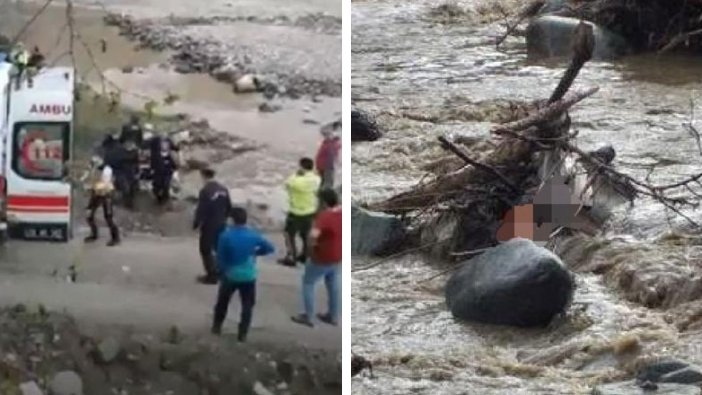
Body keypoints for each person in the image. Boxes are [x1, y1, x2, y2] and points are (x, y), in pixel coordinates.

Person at [211, 207, 275, 341]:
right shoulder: (253, 234)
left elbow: (220, 258)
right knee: (247, 305)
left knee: (223, 302)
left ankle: (217, 327)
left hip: (231, 274)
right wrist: (256, 253)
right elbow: (270, 248)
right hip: (249, 274)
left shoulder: (225, 235)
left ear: (232, 220)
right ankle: (242, 334)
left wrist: (221, 272)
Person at [291, 188, 341, 327]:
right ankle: (333, 316)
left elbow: (313, 236)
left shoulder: (325, 217)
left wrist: (310, 252)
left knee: (308, 282)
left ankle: (308, 316)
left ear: (324, 202)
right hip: (338, 256)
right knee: (333, 284)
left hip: (322, 256)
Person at [279, 158, 321, 267]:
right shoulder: (316, 179)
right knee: (305, 235)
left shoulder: (297, 181)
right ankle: (305, 256)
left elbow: (287, 183)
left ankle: (292, 257)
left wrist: (296, 174)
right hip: (310, 211)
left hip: (296, 212)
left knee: (289, 234)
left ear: (302, 167)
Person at [193, 168, 232, 284]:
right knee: (218, 248)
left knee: (205, 249)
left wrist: (196, 223)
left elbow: (201, 209)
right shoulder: (224, 189)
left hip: (209, 224)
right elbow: (229, 207)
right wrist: (225, 218)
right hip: (221, 223)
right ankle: (221, 271)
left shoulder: (205, 190)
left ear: (204, 177)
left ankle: (211, 275)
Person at [84, 156, 120, 246]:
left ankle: (115, 238)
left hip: (106, 194)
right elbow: (87, 178)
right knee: (89, 214)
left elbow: (105, 183)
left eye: (93, 164)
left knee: (108, 217)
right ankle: (94, 234)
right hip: (96, 193)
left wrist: (92, 186)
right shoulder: (93, 169)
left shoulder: (107, 170)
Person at [149, 126, 179, 205]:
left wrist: (175, 172)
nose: (164, 146)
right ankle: (158, 196)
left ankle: (165, 198)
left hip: (167, 173)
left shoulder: (170, 155)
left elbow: (174, 165)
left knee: (166, 185)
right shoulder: (155, 155)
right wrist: (152, 170)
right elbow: (152, 163)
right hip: (158, 173)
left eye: (166, 145)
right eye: (163, 145)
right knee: (157, 186)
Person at [315, 123, 341, 190]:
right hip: (327, 166)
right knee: (327, 185)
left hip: (323, 165)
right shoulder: (331, 143)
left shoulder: (329, 142)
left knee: (323, 183)